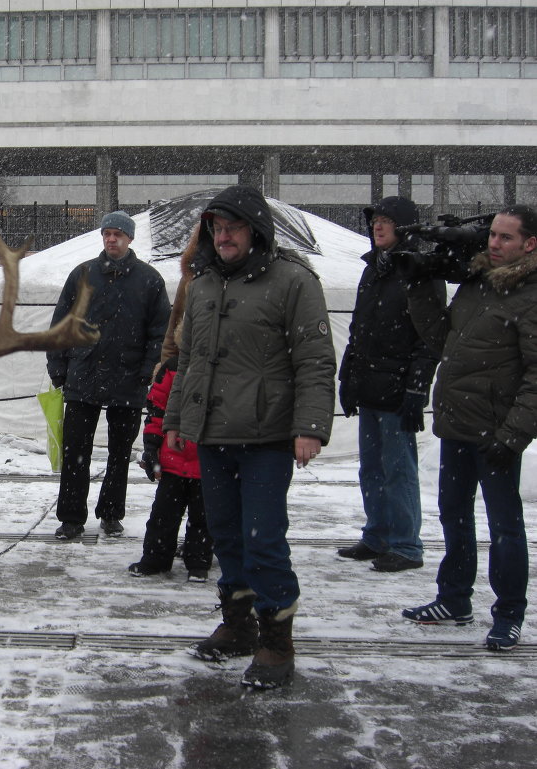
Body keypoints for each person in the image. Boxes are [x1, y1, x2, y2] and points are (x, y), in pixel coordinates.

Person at [163, 185, 336, 689]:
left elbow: (315, 360)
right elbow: (188, 360)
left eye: (233, 227)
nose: (223, 237)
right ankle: (238, 626)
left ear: (256, 231)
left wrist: (310, 426)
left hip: (267, 436)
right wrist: (176, 421)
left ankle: (277, 645)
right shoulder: (202, 285)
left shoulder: (294, 282)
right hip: (213, 436)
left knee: (263, 541)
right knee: (227, 535)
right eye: (216, 229)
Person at [402, 204, 537, 651]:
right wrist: (421, 284)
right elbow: (442, 340)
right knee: (453, 516)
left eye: (506, 238)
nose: (494, 244)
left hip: (497, 433)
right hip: (458, 425)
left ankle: (509, 613)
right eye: (492, 236)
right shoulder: (477, 283)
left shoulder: (530, 294)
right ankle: (454, 598)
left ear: (529, 245)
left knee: (504, 525)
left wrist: (512, 435)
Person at [47, 210, 170, 542]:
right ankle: (71, 518)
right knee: (76, 452)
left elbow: (160, 333)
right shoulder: (82, 275)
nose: (111, 239)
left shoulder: (149, 280)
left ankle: (112, 513)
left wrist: (148, 373)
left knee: (119, 454)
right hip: (82, 376)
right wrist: (58, 369)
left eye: (118, 234)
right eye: (107, 234)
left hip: (128, 380)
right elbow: (60, 323)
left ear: (130, 238)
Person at [337, 197, 442, 572]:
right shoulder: (373, 270)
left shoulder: (420, 271)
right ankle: (378, 535)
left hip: (398, 388)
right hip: (370, 384)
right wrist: (347, 377)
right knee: (372, 468)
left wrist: (416, 389)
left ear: (405, 227)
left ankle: (406, 545)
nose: (377, 227)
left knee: (398, 468)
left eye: (386, 221)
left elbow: (428, 339)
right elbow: (358, 330)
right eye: (375, 221)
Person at [130, 240, 212, 581]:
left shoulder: (223, 376)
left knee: (204, 517)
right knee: (164, 513)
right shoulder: (173, 371)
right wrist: (151, 447)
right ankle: (156, 558)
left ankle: (198, 563)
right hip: (175, 457)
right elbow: (157, 413)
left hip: (208, 457)